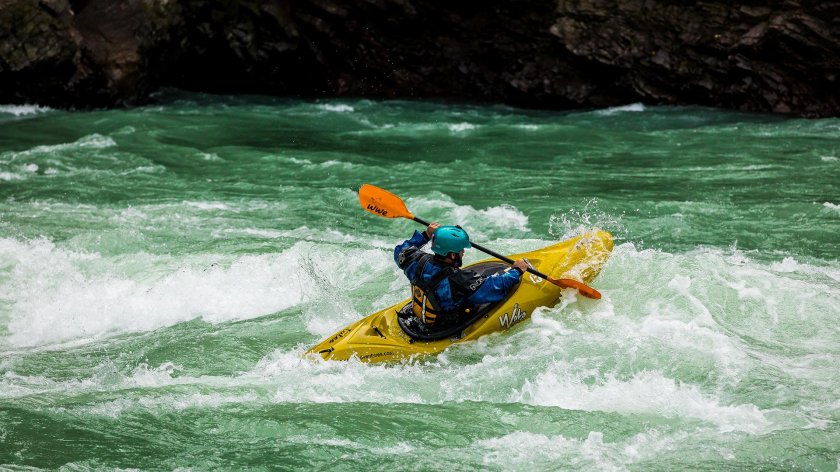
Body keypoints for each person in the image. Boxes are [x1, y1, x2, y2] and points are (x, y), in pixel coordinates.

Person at [394, 222, 529, 329]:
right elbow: (493, 288)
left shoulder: (415, 260)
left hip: (420, 318)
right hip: (443, 325)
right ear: (452, 255)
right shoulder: (459, 279)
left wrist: (425, 235)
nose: (463, 252)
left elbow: (400, 251)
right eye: (461, 250)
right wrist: (516, 271)